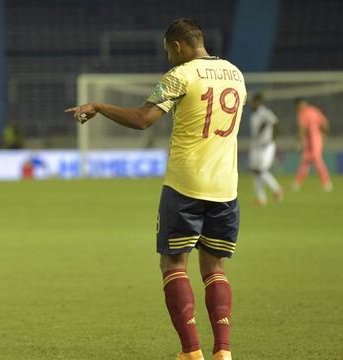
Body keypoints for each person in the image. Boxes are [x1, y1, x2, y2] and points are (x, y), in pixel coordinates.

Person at [66, 18, 245, 360]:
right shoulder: (236, 75)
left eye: (168, 52)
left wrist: (99, 106)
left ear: (177, 46)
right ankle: (223, 351)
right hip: (226, 186)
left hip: (185, 183)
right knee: (215, 268)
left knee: (174, 263)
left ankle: (191, 352)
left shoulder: (181, 74)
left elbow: (142, 119)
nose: (168, 58)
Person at [249, 93, 283, 205]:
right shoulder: (254, 115)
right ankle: (261, 198)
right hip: (256, 146)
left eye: (253, 102)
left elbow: (276, 123)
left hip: (266, 146)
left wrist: (273, 138)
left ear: (257, 102)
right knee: (256, 171)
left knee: (261, 170)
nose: (251, 104)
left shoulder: (265, 112)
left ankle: (277, 189)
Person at [292, 98, 332, 191]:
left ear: (299, 105)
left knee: (317, 161)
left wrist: (297, 141)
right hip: (317, 138)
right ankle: (297, 183)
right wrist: (325, 135)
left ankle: (327, 183)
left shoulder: (302, 113)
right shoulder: (314, 110)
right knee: (305, 161)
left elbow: (303, 128)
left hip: (311, 140)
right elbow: (325, 124)